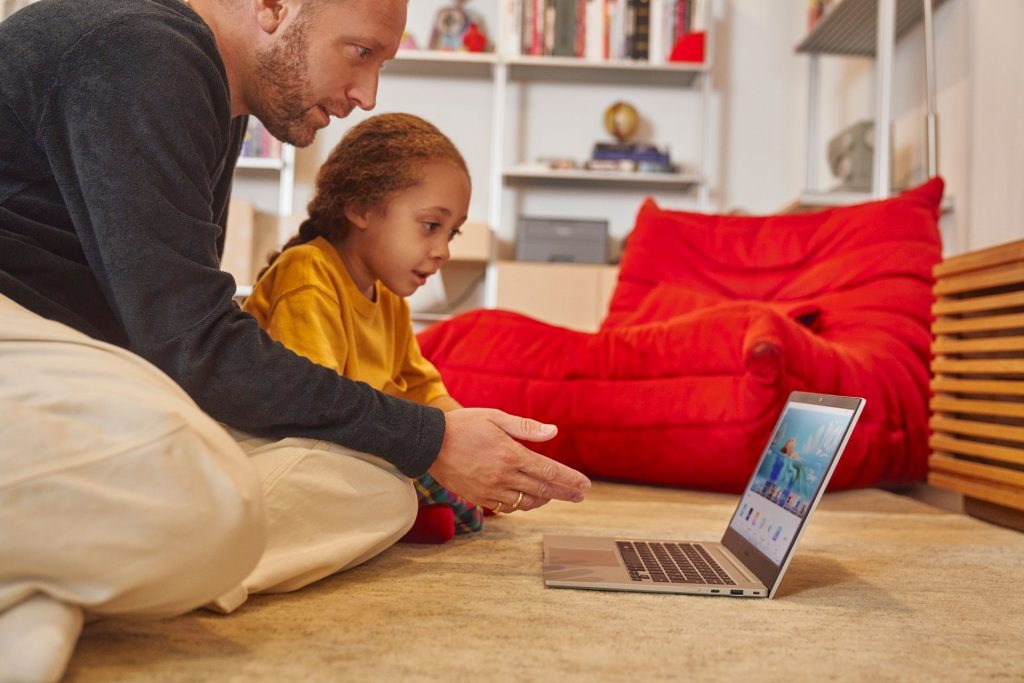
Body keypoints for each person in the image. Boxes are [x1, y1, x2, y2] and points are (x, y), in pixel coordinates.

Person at [0, 0, 591, 680]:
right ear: (273, 7)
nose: (367, 96)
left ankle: (98, 562)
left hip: (87, 371)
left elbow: (177, 339)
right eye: (361, 52)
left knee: (379, 489)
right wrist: (433, 436)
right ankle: (131, 555)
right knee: (211, 495)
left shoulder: (211, 96)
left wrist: (420, 437)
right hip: (20, 339)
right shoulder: (143, 50)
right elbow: (195, 349)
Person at [242, 112, 484, 542]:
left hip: (352, 446)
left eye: (453, 233)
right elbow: (313, 415)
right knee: (393, 486)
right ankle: (406, 512)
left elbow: (421, 389)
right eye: (431, 226)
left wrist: (473, 442)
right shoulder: (308, 272)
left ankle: (407, 511)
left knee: (454, 491)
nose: (444, 250)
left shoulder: (387, 294)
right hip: (293, 449)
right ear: (360, 208)